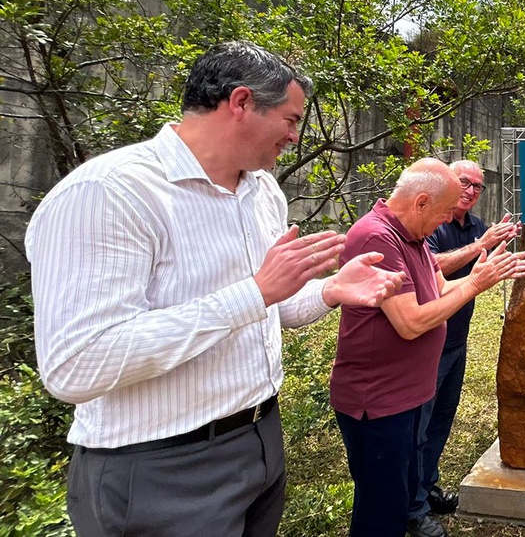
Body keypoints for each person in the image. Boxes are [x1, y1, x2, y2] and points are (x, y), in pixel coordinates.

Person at [26, 40, 405, 537]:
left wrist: (330, 290)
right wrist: (253, 293)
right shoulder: (110, 193)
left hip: (258, 438)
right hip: (157, 466)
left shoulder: (261, 191)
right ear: (242, 103)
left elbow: (271, 308)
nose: (295, 136)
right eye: (291, 120)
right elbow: (76, 365)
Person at [329, 158, 525, 537]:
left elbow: (440, 289)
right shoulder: (378, 238)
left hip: (406, 397)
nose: (445, 221)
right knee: (380, 509)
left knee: (398, 495)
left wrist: (481, 277)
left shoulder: (414, 237)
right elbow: (411, 323)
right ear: (421, 202)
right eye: (442, 213)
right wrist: (474, 285)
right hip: (378, 402)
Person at [409, 160, 522, 523]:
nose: (471, 191)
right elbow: (430, 267)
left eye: (478, 187)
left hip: (458, 340)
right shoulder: (432, 221)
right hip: (428, 342)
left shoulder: (475, 226)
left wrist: (499, 243)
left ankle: (427, 488)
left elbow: (485, 264)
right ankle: (412, 507)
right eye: (464, 183)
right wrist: (480, 246)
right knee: (418, 427)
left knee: (441, 422)